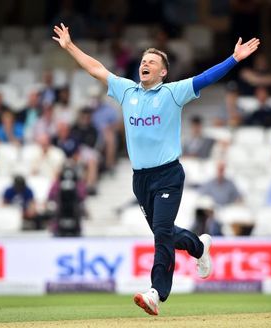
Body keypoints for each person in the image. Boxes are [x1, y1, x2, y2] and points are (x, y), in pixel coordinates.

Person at [53, 22, 259, 315]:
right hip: (141, 179)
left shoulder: (173, 93)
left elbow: (205, 78)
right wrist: (70, 46)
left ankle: (156, 293)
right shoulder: (125, 90)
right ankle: (199, 248)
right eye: (143, 61)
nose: (145, 64)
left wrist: (234, 59)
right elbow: (96, 69)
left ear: (163, 71)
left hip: (168, 175)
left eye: (152, 62)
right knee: (167, 234)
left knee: (161, 233)